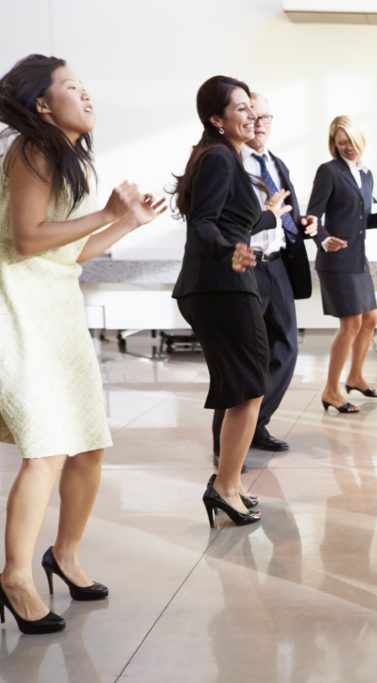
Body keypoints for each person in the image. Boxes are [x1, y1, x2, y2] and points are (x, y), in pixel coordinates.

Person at [0, 54, 165, 634]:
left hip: (57, 312)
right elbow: (25, 239)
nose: (86, 95)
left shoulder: (67, 157)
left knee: (88, 445)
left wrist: (127, 223)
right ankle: (16, 577)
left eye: (86, 86)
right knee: (46, 447)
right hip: (16, 311)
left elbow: (68, 252)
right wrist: (104, 213)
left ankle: (63, 555)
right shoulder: (32, 150)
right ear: (43, 105)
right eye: (71, 87)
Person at [172, 75, 290, 528]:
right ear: (216, 119)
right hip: (221, 285)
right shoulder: (221, 159)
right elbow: (203, 225)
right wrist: (231, 251)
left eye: (251, 107)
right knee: (248, 388)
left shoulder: (223, 157)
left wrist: (268, 215)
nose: (251, 115)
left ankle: (232, 482)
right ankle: (224, 486)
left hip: (219, 284)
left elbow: (228, 217)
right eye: (240, 108)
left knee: (243, 387)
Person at [211, 92, 318, 463]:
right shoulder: (230, 162)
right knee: (241, 357)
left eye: (266, 117)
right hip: (245, 264)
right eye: (253, 116)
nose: (259, 123)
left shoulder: (275, 162)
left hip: (279, 265)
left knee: (286, 348)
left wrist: (304, 225)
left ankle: (255, 423)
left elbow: (286, 210)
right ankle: (225, 441)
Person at [308, 116, 377, 414]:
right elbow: (312, 217)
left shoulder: (365, 174)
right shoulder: (329, 172)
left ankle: (356, 376)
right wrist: (323, 240)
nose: (346, 147)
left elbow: (361, 220)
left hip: (357, 259)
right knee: (351, 324)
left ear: (361, 140)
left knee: (370, 319)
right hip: (335, 260)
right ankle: (331, 391)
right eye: (340, 142)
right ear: (334, 145)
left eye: (350, 141)